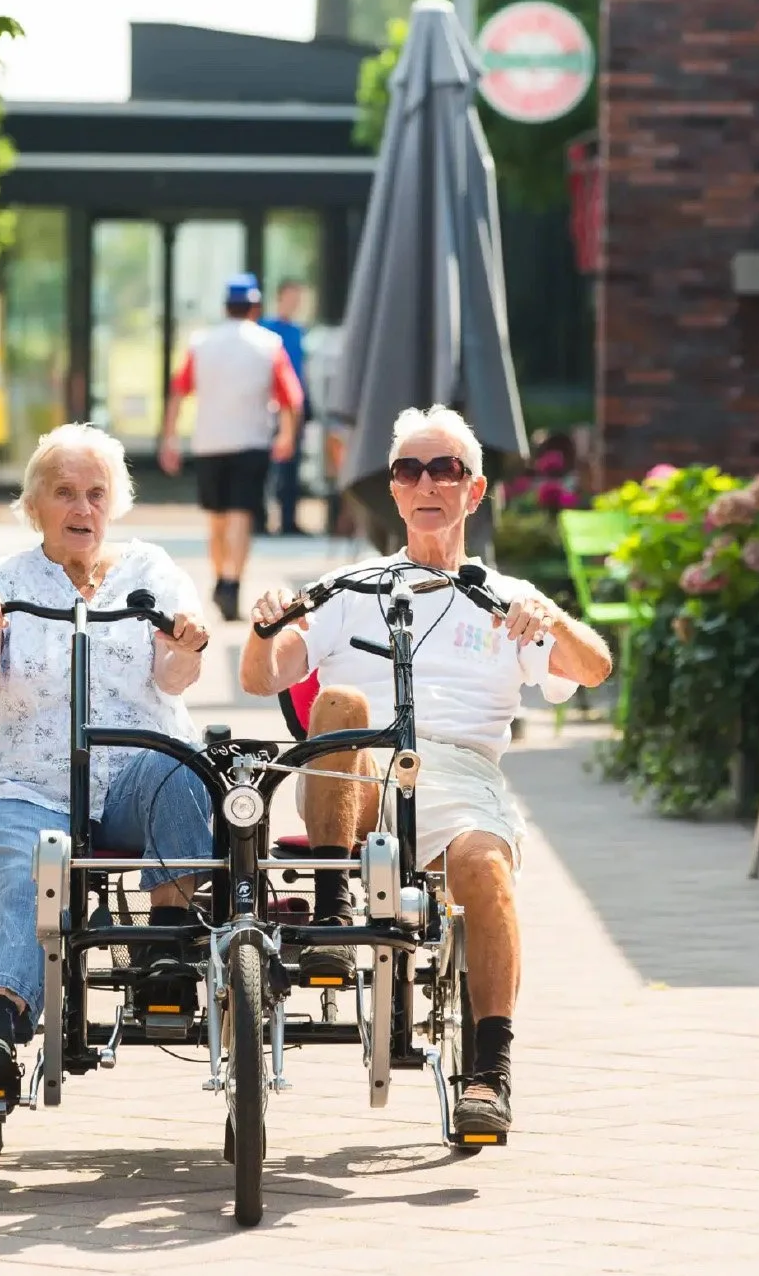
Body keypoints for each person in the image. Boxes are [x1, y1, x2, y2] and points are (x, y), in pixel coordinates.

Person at [238, 405, 615, 1141]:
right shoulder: (351, 587)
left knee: (486, 865)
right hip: (359, 764)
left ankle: (489, 1069)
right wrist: (264, 629)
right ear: (395, 490)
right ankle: (331, 900)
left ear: (474, 491)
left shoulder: (502, 597)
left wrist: (552, 620)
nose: (427, 483)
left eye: (446, 469)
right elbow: (263, 677)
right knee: (342, 698)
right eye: (410, 470)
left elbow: (594, 669)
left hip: (456, 770)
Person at [0, 423, 216, 1093]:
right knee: (22, 877)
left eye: (96, 494)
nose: (82, 509)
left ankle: (166, 955)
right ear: (35, 503)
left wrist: (187, 642)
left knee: (179, 766)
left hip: (134, 780)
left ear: (116, 501)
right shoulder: (0, 579)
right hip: (26, 786)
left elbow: (176, 679)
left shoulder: (151, 571)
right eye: (65, 493)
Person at [158, 273, 302, 621]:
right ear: (255, 306)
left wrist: (169, 437)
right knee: (241, 513)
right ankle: (231, 582)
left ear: (226, 306)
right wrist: (287, 435)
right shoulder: (269, 344)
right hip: (251, 441)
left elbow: (179, 390)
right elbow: (292, 398)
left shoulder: (201, 343)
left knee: (217, 517)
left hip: (209, 442)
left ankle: (221, 575)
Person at [257, 279, 312, 537]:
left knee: (291, 466)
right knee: (265, 467)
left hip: (294, 406)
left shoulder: (300, 332)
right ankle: (260, 519)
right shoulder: (265, 330)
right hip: (269, 407)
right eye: (291, 297)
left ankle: (288, 520)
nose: (295, 303)